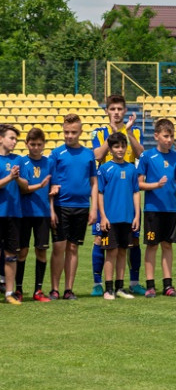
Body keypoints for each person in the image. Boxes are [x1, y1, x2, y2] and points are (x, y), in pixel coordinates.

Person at [91, 94, 144, 296]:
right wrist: (113, 135)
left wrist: (126, 133)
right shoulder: (99, 132)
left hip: (128, 191)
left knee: (133, 240)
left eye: (119, 109)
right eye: (112, 109)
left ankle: (133, 282)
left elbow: (140, 154)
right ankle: (98, 283)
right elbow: (97, 156)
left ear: (124, 111)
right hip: (107, 192)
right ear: (107, 111)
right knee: (100, 239)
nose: (116, 112)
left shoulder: (135, 131)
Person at [138, 118, 176, 298]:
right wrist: (156, 185)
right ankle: (150, 285)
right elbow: (140, 184)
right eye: (166, 136)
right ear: (157, 136)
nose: (169, 140)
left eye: (172, 136)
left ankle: (168, 285)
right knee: (152, 246)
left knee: (167, 245)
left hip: (171, 210)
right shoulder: (146, 156)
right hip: (153, 209)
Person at [49, 114, 98, 300]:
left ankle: (69, 289)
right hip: (61, 206)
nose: (69, 136)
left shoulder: (88, 154)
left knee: (73, 248)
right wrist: (51, 209)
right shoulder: (56, 154)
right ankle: (54, 289)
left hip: (82, 207)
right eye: (66, 132)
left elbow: (94, 182)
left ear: (80, 132)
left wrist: (93, 209)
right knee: (58, 247)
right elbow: (50, 184)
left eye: (73, 132)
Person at [97, 133, 140, 300]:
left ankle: (120, 287)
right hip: (111, 219)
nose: (120, 149)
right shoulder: (104, 168)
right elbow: (99, 193)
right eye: (116, 146)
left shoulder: (131, 169)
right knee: (111, 252)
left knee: (123, 252)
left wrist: (136, 216)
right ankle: (108, 289)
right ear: (110, 149)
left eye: (123, 146)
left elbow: (136, 193)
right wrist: (103, 217)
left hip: (128, 218)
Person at [16, 128, 53, 302]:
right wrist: (40, 185)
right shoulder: (21, 162)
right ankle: (18, 290)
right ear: (26, 144)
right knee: (22, 252)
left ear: (44, 145)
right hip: (23, 214)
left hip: (43, 214)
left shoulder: (49, 163)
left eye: (39, 144)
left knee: (41, 251)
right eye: (33, 144)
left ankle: (38, 290)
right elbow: (22, 189)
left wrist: (52, 210)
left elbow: (54, 189)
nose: (36, 148)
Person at [0, 124, 23, 304]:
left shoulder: (19, 160)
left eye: (16, 139)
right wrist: (10, 177)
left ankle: (9, 293)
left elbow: (26, 184)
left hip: (14, 214)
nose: (14, 142)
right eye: (11, 138)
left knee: (11, 254)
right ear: (1, 139)